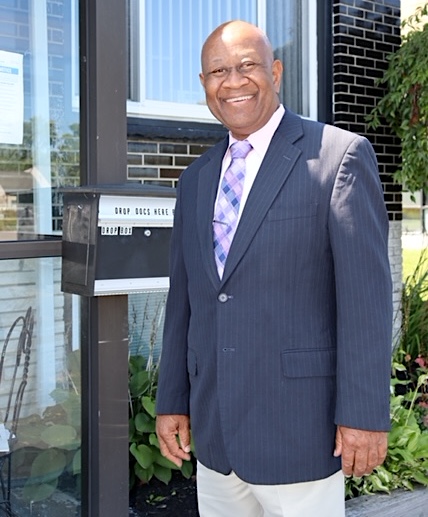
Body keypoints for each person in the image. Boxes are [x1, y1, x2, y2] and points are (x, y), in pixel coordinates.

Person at [155, 20, 392, 517]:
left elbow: (365, 303)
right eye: (218, 71)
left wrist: (364, 415)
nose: (233, 82)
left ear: (276, 72)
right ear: (204, 84)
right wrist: (172, 399)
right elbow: (185, 301)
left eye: (247, 66)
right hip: (217, 436)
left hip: (300, 433)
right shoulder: (195, 179)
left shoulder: (338, 157)